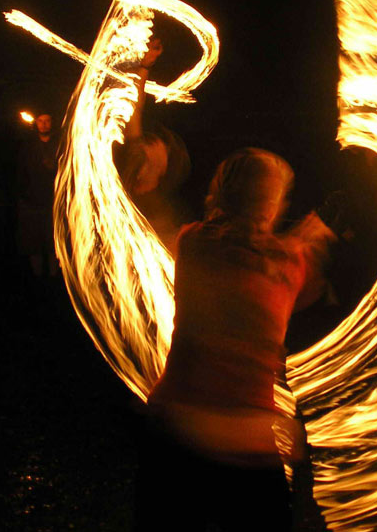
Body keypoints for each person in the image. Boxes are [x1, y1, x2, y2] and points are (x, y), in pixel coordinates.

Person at [134, 148, 337, 532]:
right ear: (271, 205)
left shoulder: (192, 242)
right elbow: (304, 287)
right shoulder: (289, 265)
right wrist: (314, 237)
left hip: (173, 426)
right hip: (245, 444)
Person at [114, 37, 190, 252]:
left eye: (163, 144)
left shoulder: (162, 215)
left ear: (164, 169)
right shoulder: (124, 200)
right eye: (155, 141)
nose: (155, 142)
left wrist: (144, 67)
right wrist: (143, 68)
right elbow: (134, 110)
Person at [16, 113, 59, 277]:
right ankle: (37, 278)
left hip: (53, 201)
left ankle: (53, 278)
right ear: (36, 123)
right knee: (33, 242)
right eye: (40, 121)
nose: (44, 124)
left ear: (52, 122)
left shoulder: (59, 146)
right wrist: (23, 195)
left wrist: (53, 168)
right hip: (32, 201)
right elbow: (21, 172)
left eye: (47, 121)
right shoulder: (28, 147)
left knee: (52, 242)